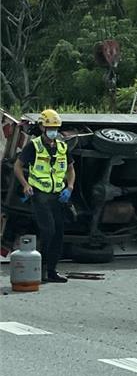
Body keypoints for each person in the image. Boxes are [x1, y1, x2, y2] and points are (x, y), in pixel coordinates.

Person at [13, 109, 75, 284]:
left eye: (55, 127)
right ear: (42, 127)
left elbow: (71, 169)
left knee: (58, 234)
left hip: (58, 196)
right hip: (40, 195)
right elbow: (18, 167)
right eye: (49, 127)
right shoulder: (34, 146)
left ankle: (52, 271)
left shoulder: (62, 146)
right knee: (48, 231)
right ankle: (39, 269)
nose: (52, 130)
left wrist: (69, 187)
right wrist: (25, 185)